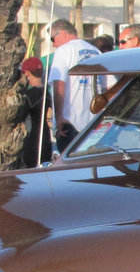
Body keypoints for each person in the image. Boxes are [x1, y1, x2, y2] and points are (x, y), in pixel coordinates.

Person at [47, 19, 101, 149]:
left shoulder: (64, 51)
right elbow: (110, 87)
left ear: (63, 34)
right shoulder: (95, 51)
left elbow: (59, 84)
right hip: (94, 125)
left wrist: (59, 117)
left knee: (70, 167)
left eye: (52, 39)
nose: (54, 44)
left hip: (71, 125)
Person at [18, 55, 53, 167]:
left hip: (32, 143)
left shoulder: (29, 96)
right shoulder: (48, 93)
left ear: (27, 73)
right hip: (47, 141)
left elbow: (19, 117)